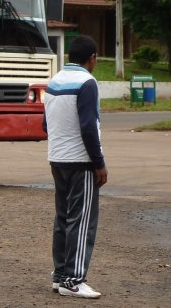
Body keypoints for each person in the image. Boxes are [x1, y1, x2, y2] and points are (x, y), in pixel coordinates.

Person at [43, 35, 107, 299]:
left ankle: (60, 276)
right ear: (91, 58)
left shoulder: (54, 81)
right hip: (81, 161)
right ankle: (74, 280)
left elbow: (46, 125)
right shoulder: (87, 82)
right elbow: (88, 126)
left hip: (57, 158)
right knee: (81, 221)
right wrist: (99, 162)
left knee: (63, 218)